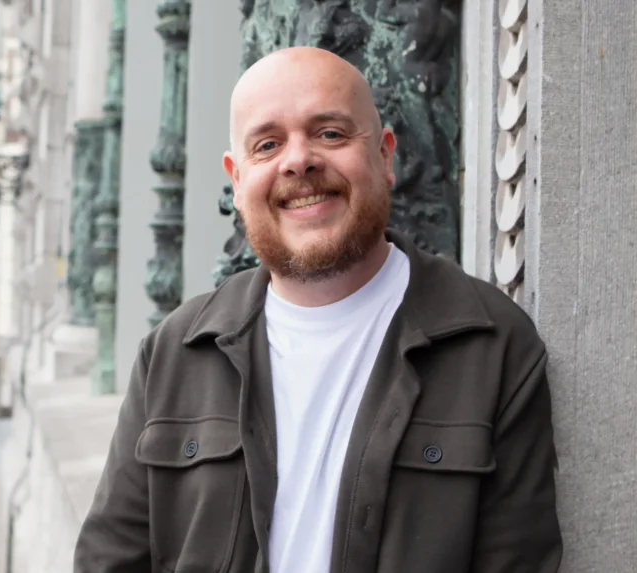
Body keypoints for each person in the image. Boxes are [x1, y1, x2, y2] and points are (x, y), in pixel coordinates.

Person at [74, 47, 562, 573]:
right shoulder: (175, 352)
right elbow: (108, 560)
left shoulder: (492, 346)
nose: (298, 160)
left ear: (385, 156)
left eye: (330, 133)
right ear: (236, 180)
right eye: (267, 144)